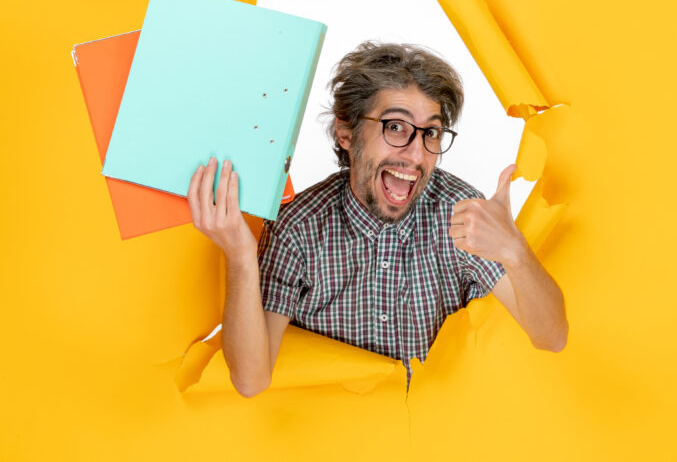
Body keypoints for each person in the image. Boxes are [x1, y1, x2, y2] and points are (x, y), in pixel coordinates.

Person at [187, 42, 568, 397]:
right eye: (396, 127)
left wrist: (515, 251)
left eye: (431, 133)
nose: (416, 155)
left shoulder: (461, 214)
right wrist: (239, 255)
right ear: (347, 133)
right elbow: (251, 379)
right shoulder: (298, 228)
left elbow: (551, 336)